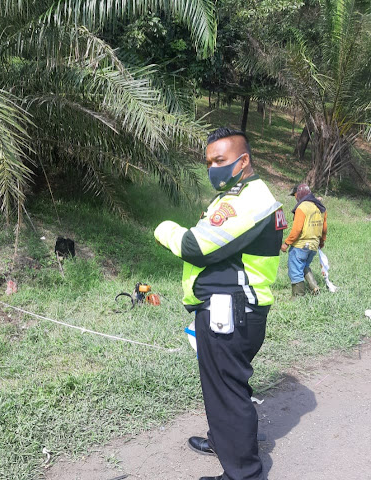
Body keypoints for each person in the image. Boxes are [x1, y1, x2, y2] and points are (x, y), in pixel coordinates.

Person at [154, 127, 286, 480]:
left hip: (229, 310)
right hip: (236, 309)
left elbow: (195, 246)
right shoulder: (242, 195)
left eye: (220, 160)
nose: (212, 167)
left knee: (228, 391)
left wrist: (164, 228)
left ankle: (243, 473)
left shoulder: (245, 200)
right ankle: (223, 441)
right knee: (225, 385)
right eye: (209, 161)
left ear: (243, 161)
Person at [280, 183, 327, 296]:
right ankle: (314, 287)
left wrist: (286, 243)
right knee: (304, 266)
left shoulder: (302, 207)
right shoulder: (319, 206)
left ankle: (298, 296)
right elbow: (324, 228)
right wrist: (321, 241)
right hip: (313, 245)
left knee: (295, 270)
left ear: (299, 193)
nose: (295, 197)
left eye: (295, 194)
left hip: (301, 245)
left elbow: (297, 229)